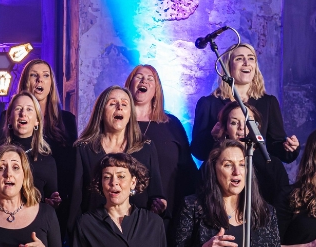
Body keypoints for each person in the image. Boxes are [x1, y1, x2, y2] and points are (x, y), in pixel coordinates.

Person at [68, 86, 167, 231]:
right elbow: (76, 201)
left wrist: (160, 204)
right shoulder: (83, 148)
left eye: (125, 104)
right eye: (113, 103)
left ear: (130, 114)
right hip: (94, 231)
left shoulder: (145, 148)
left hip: (136, 232)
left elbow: (156, 193)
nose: (119, 107)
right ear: (101, 112)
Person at [191, 43, 300, 165]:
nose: (247, 63)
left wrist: (289, 148)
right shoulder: (208, 104)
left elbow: (275, 147)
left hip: (259, 177)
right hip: (222, 175)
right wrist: (213, 137)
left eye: (251, 58)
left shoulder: (268, 103)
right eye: (239, 59)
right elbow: (197, 151)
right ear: (228, 66)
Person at [125, 64, 197, 212]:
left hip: (169, 211)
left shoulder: (171, 124)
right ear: (129, 84)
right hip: (127, 211)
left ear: (156, 89)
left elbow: (187, 168)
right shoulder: (119, 122)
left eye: (150, 79)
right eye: (139, 77)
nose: (144, 81)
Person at [18, 59, 78, 226]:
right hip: (22, 201)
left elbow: (72, 166)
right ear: (25, 82)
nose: (39, 80)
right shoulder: (11, 116)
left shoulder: (67, 120)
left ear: (51, 83)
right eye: (34, 75)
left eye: (45, 75)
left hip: (60, 201)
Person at [216, 102, 291, 207]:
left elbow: (284, 206)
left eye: (248, 122)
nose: (242, 127)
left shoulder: (273, 165)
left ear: (257, 127)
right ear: (226, 128)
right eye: (234, 123)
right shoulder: (214, 162)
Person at [0, 91, 62, 206]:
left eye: (29, 109)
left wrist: (50, 204)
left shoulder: (48, 162)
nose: (23, 114)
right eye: (18, 109)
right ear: (9, 119)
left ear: (37, 121)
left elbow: (51, 203)